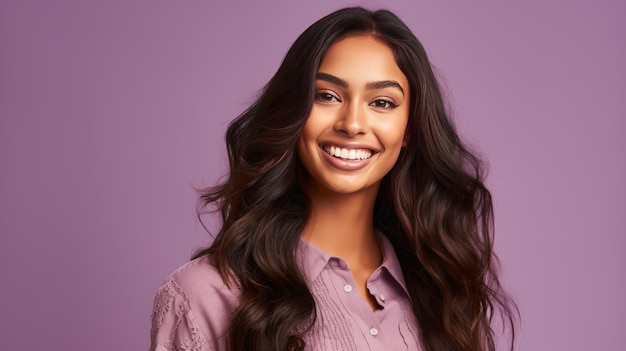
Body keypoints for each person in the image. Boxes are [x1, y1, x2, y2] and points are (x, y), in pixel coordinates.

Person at [149, 6, 517, 351]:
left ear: (410, 128)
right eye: (327, 96)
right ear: (294, 112)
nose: (352, 124)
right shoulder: (207, 294)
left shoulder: (441, 294)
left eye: (382, 102)